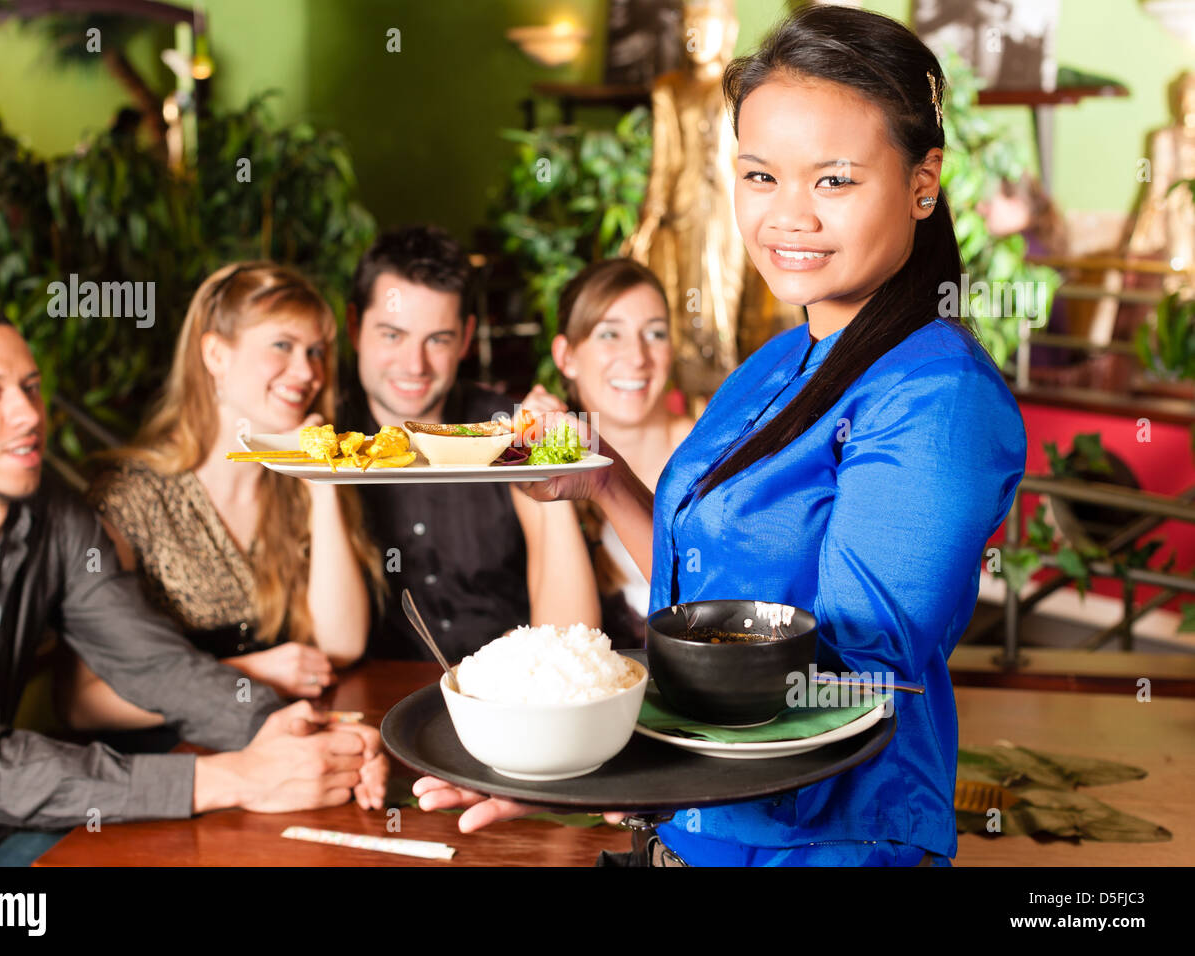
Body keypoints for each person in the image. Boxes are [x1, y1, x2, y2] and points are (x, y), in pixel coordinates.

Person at [413, 5, 1027, 867]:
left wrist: (578, 766)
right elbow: (707, 601)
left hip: (828, 845)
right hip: (690, 831)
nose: (788, 217)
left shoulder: (937, 398)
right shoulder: (777, 361)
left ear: (924, 181)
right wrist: (607, 485)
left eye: (835, 180)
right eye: (759, 175)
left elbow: (845, 683)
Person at [0, 296, 387, 866]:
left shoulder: (56, 517)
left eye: (30, 387)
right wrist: (232, 777)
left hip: (14, 827)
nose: (28, 414)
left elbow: (155, 666)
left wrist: (294, 733)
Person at [58, 264, 380, 742]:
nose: (308, 372)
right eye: (282, 346)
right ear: (215, 354)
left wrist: (320, 480)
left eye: (316, 352)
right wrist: (252, 674)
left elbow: (341, 646)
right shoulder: (129, 495)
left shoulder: (296, 483)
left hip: (275, 753)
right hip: (164, 773)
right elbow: (84, 703)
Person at [337, 225, 600, 660]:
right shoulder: (325, 443)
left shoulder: (508, 429)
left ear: (464, 338)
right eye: (392, 335)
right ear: (354, 327)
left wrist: (548, 456)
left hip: (508, 692)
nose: (414, 364)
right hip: (373, 704)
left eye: (437, 339)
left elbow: (574, 636)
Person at [520, 259, 694, 647]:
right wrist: (553, 462)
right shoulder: (526, 466)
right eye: (609, 335)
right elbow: (560, 640)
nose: (637, 357)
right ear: (565, 357)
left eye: (655, 333)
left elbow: (715, 605)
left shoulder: (711, 450)